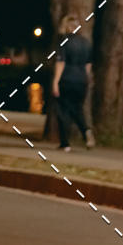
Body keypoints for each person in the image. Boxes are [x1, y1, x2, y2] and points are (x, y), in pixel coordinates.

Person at [52, 14, 95, 151]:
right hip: (81, 80)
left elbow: (61, 62)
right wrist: (87, 80)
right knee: (77, 108)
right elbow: (88, 64)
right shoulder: (85, 42)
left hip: (66, 79)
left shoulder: (64, 41)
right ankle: (86, 130)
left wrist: (55, 82)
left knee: (62, 111)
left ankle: (65, 143)